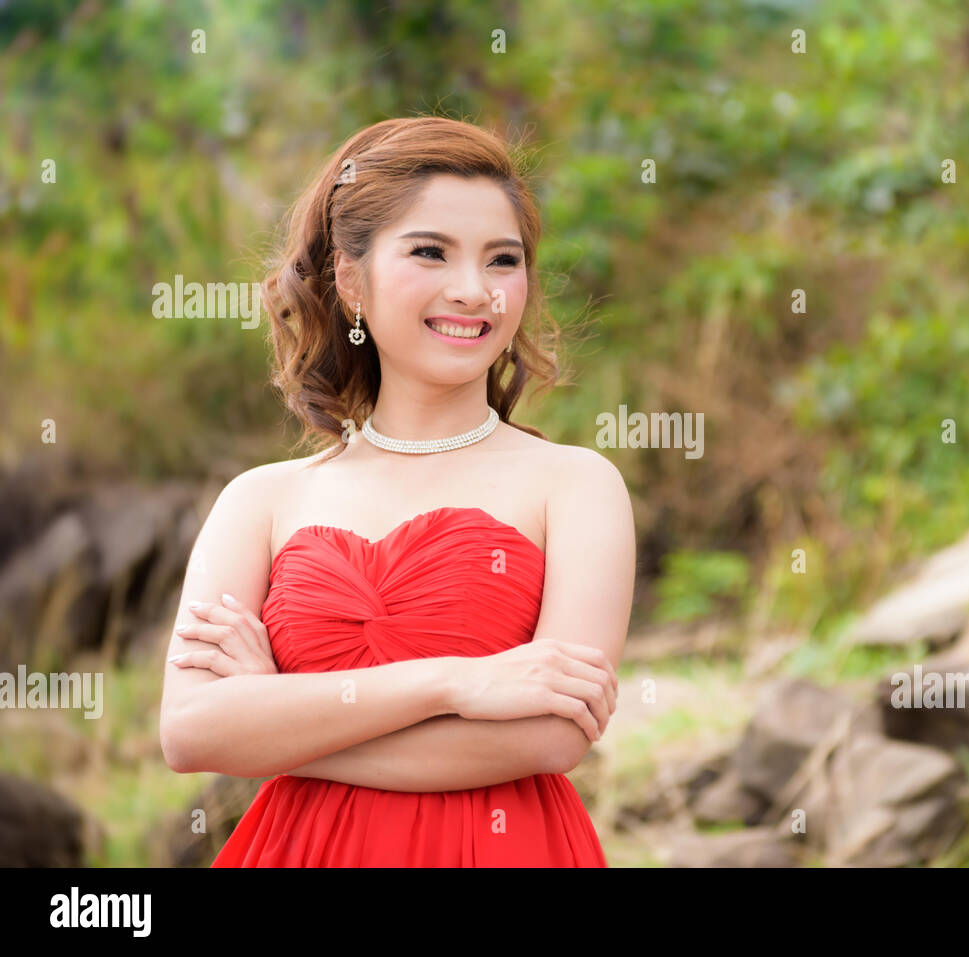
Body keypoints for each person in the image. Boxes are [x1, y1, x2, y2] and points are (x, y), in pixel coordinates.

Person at [158, 116, 635, 867]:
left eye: (502, 260)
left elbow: (551, 733)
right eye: (429, 252)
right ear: (352, 280)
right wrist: (459, 681)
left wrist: (280, 725)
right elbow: (190, 730)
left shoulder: (576, 486)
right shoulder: (262, 501)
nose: (474, 291)